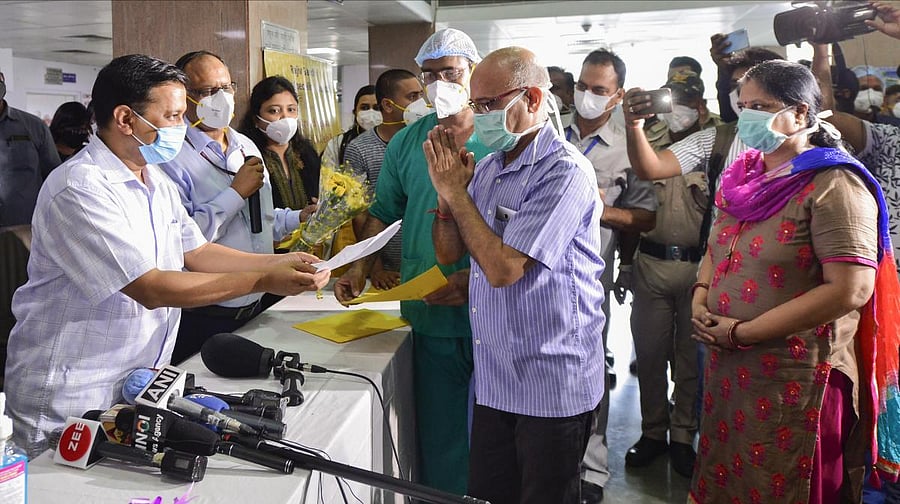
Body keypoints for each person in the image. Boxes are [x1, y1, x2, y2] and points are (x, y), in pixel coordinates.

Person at [4, 54, 329, 457]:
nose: (183, 127)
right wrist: (263, 280)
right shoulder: (81, 187)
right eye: (174, 117)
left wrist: (280, 262)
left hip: (136, 379)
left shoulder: (153, 177)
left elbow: (196, 251)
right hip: (75, 385)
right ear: (126, 119)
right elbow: (151, 287)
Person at [688, 59, 890, 504]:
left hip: (798, 378)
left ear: (801, 114)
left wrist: (744, 332)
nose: (748, 117)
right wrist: (701, 297)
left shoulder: (834, 182)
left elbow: (852, 288)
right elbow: (717, 245)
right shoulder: (745, 176)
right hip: (733, 369)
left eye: (761, 106)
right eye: (742, 107)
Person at [426, 45, 604, 504]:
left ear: (532, 99)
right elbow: (449, 254)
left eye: (489, 104)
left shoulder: (564, 172)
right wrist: (447, 198)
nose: (480, 116)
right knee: (489, 494)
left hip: (550, 378)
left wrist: (456, 194)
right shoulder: (487, 168)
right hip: (497, 377)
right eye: (476, 105)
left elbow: (504, 269)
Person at [334, 28, 490, 496]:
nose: (440, 83)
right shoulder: (407, 143)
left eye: (451, 72)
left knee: (497, 434)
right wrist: (359, 265)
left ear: (472, 73)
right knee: (441, 435)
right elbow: (384, 213)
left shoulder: (499, 137)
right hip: (430, 308)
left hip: (496, 307)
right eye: (430, 75)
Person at [158, 50, 304, 364]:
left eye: (226, 88)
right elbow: (183, 242)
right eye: (208, 91)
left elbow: (260, 223)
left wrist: (298, 218)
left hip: (256, 305)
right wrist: (235, 193)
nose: (221, 99)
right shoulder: (170, 157)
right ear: (184, 96)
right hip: (205, 312)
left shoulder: (245, 145)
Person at [566, 48, 657, 504]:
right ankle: (553, 460)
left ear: (617, 95)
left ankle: (592, 468)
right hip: (533, 272)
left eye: (598, 91)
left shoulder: (628, 147)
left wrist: (605, 213)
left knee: (588, 369)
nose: (587, 96)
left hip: (589, 277)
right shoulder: (547, 130)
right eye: (583, 86)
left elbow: (645, 217)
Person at [621, 69, 721, 479]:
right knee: (648, 355)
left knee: (689, 360)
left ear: (700, 107)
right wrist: (625, 265)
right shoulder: (650, 141)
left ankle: (683, 436)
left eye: (684, 106)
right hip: (652, 265)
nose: (675, 114)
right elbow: (634, 204)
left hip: (699, 268)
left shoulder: (718, 144)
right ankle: (652, 433)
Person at [343, 69, 423, 289]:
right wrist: (374, 267)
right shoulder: (359, 149)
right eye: (412, 97)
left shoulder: (426, 141)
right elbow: (359, 213)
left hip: (423, 258)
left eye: (421, 95)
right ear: (388, 105)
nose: (421, 103)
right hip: (385, 263)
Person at [238, 76, 320, 217]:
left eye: (291, 109)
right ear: (256, 118)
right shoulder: (246, 157)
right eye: (274, 111)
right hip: (268, 237)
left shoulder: (307, 152)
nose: (285, 117)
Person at [645, 70, 722, 150]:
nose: (675, 107)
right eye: (671, 100)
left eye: (683, 100)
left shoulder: (721, 132)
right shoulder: (651, 137)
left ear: (701, 105)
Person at [321, 84, 378, 167]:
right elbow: (327, 175)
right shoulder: (337, 143)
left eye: (377, 108)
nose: (371, 113)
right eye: (364, 108)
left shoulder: (394, 142)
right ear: (355, 112)